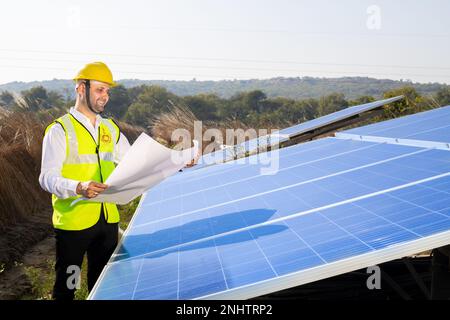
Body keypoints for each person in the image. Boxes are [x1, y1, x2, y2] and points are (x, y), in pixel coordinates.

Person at [39, 62, 131, 300]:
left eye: (108, 91)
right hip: (74, 223)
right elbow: (46, 177)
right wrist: (78, 187)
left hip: (108, 220)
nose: (105, 97)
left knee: (104, 288)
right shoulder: (60, 130)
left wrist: (175, 160)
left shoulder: (110, 128)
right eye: (100, 90)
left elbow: (134, 161)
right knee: (68, 287)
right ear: (81, 88)